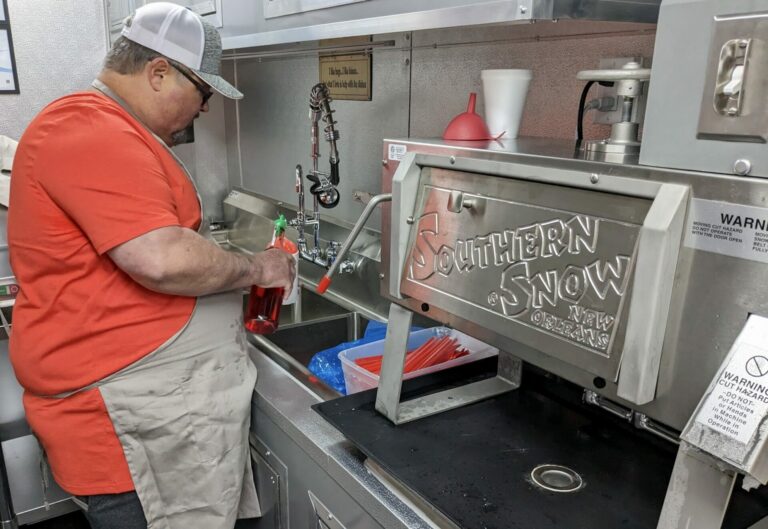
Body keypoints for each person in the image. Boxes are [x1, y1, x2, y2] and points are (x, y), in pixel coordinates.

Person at [7, 3, 294, 528]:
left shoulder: (113, 129)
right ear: (159, 72)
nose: (204, 108)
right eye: (203, 92)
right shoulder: (90, 130)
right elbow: (161, 259)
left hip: (152, 414)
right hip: (128, 428)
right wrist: (255, 268)